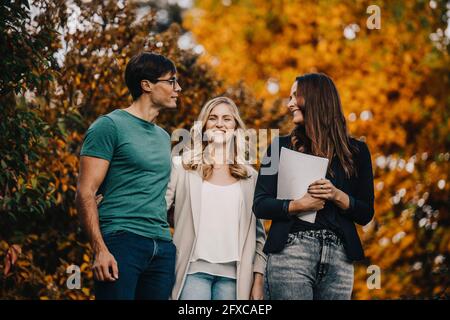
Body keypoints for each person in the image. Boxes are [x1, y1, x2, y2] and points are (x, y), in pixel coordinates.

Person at [253, 73, 374, 300]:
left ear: (316, 98)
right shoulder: (280, 147)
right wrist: (298, 205)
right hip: (291, 252)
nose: (289, 104)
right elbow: (260, 204)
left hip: (340, 258)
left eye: (295, 96)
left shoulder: (357, 152)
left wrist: (338, 196)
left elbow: (366, 213)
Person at [76, 52, 182, 300]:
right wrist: (100, 250)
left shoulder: (164, 137)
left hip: (161, 246)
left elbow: (158, 194)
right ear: (146, 85)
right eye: (171, 81)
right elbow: (85, 191)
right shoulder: (109, 126)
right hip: (122, 241)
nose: (178, 88)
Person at [166, 96, 266, 300]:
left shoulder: (251, 177)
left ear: (236, 127)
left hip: (236, 278)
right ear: (203, 125)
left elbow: (259, 237)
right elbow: (158, 210)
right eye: (213, 118)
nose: (220, 123)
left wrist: (258, 281)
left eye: (227, 119)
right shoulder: (182, 167)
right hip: (191, 272)